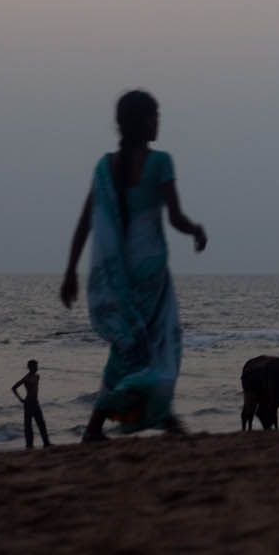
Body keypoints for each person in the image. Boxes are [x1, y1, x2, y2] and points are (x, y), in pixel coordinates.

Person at [60, 90, 208, 442]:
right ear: (142, 121)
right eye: (154, 116)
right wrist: (196, 230)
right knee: (161, 348)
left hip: (121, 278)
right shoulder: (161, 163)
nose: (158, 123)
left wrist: (70, 272)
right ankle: (150, 417)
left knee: (129, 349)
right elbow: (175, 218)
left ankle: (124, 422)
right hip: (153, 277)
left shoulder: (105, 167)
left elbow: (86, 221)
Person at [11, 359, 52, 449]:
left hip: (35, 402)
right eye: (34, 366)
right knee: (28, 425)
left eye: (37, 366)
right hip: (29, 403)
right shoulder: (27, 378)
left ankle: (46, 443)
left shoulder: (37, 376)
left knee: (41, 423)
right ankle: (29, 445)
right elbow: (14, 387)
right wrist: (20, 399)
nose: (36, 368)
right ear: (30, 368)